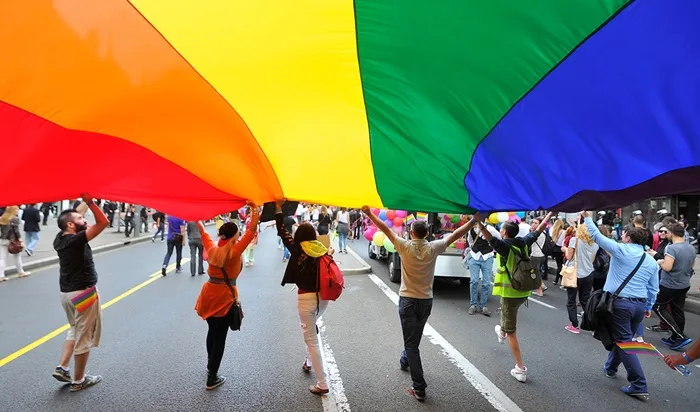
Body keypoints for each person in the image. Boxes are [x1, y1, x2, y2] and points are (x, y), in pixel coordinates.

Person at [364, 205, 479, 401]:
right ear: (427, 234)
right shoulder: (433, 247)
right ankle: (404, 360)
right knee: (414, 339)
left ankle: (419, 387)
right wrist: (473, 221)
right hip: (426, 300)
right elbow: (455, 235)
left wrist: (368, 214)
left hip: (408, 300)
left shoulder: (404, 246)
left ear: (411, 232)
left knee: (411, 344)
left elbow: (385, 228)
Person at [582, 211, 659, 401]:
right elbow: (653, 288)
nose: (621, 237)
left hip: (621, 304)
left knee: (625, 343)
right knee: (625, 339)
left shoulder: (621, 250)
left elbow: (597, 236)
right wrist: (649, 306)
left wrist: (587, 218)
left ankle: (639, 384)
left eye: (624, 235)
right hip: (639, 305)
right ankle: (610, 367)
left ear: (628, 237)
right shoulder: (650, 260)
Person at [478, 212, 553, 383]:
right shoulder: (523, 242)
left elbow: (490, 238)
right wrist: (550, 214)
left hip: (510, 293)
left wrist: (479, 223)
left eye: (502, 228)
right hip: (524, 291)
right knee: (507, 320)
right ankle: (502, 330)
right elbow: (539, 230)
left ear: (504, 232)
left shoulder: (505, 246)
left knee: (511, 331)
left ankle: (520, 368)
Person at [194, 201, 258, 390]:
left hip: (208, 293)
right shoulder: (234, 250)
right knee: (220, 337)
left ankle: (209, 365)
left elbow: (201, 229)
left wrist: (193, 213)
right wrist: (255, 209)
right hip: (224, 297)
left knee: (212, 330)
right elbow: (252, 230)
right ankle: (212, 376)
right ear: (234, 235)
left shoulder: (212, 248)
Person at [276, 199, 336, 395]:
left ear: (299, 236)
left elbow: (282, 231)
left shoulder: (296, 248)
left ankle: (322, 383)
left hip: (305, 299)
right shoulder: (321, 249)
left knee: (310, 337)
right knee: (312, 329)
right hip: (323, 298)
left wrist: (278, 209)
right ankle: (309, 361)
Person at [52, 194, 109, 391]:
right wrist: (92, 203)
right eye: (80, 220)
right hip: (82, 294)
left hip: (66, 294)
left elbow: (76, 215)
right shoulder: (76, 240)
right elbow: (103, 222)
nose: (84, 220)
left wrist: (87, 198)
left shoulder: (60, 238)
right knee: (84, 335)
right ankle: (79, 380)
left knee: (74, 329)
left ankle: (63, 367)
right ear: (70, 225)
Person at [654, 222, 694, 350]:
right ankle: (675, 338)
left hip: (669, 284)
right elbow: (691, 267)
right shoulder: (691, 248)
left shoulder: (672, 248)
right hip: (684, 283)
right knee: (678, 310)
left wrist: (660, 262)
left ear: (671, 234)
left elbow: (668, 267)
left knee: (659, 307)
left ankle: (680, 336)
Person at [563, 223, 599, 334]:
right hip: (588, 273)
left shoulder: (575, 240)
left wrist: (564, 249)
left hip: (575, 273)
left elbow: (568, 256)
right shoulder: (595, 244)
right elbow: (592, 260)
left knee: (571, 300)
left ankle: (574, 325)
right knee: (585, 299)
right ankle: (594, 325)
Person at [466, 219, 500, 316]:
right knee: (474, 281)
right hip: (474, 256)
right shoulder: (471, 229)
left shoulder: (490, 229)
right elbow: (470, 241)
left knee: (486, 282)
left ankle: (483, 305)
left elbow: (498, 238)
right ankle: (473, 304)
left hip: (487, 256)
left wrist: (491, 246)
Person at [0, 206, 30, 280]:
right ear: (12, 210)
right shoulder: (14, 219)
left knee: (2, 259)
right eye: (16, 209)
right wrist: (21, 241)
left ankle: (1, 275)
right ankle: (21, 272)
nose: (17, 211)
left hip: (2, 240)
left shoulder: (2, 218)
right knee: (17, 257)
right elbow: (16, 231)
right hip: (13, 241)